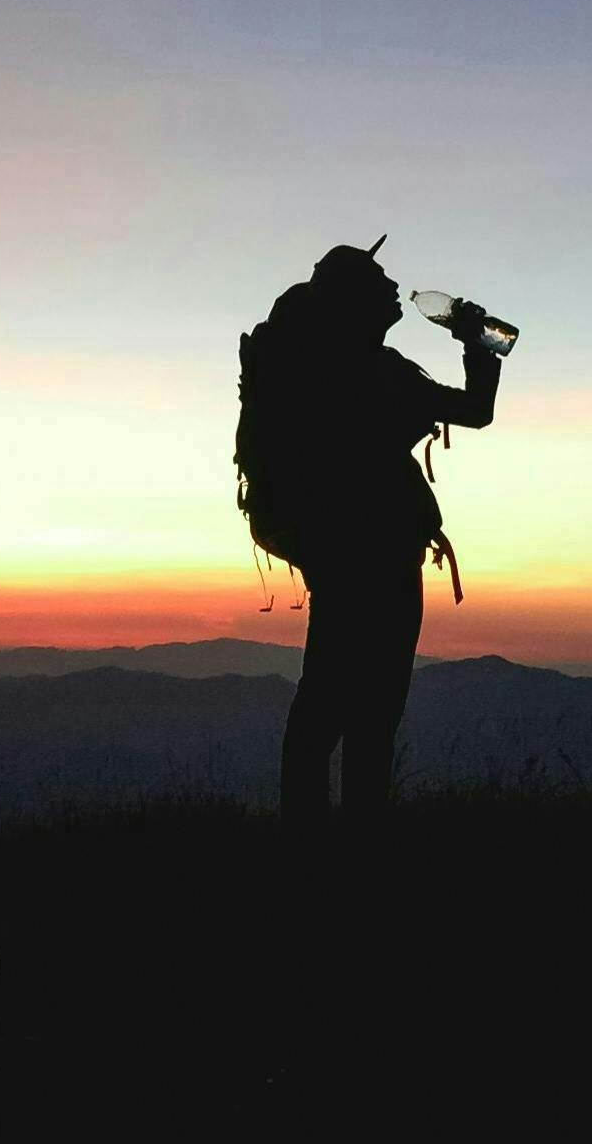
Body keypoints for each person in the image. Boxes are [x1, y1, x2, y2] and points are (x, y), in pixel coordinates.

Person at [237, 239, 501, 828]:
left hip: (333, 550)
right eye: (378, 280)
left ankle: (309, 829)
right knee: (370, 707)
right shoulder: (373, 370)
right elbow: (476, 410)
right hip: (377, 554)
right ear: (354, 299)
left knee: (326, 696)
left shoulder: (311, 363)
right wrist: (476, 342)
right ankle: (359, 836)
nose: (392, 287)